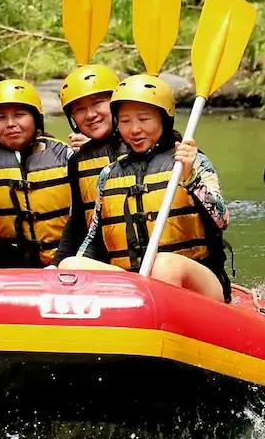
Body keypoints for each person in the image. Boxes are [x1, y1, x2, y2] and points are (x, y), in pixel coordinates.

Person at [59, 74, 232, 301]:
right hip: (135, 284)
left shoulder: (191, 162)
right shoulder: (108, 174)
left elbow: (222, 220)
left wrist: (191, 178)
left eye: (144, 119)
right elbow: (93, 239)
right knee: (70, 265)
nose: (134, 130)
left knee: (164, 264)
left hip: (197, 282)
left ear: (163, 119)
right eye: (125, 121)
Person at [0, 80, 73, 268]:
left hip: (60, 257)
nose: (10, 124)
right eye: (1, 118)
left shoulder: (67, 157)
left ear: (36, 119)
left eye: (19, 115)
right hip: (11, 259)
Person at [48, 64, 126, 265]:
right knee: (67, 265)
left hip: (157, 261)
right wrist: (55, 264)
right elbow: (78, 222)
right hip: (104, 261)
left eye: (98, 103)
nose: (90, 115)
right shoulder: (78, 160)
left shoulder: (150, 146)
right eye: (79, 109)